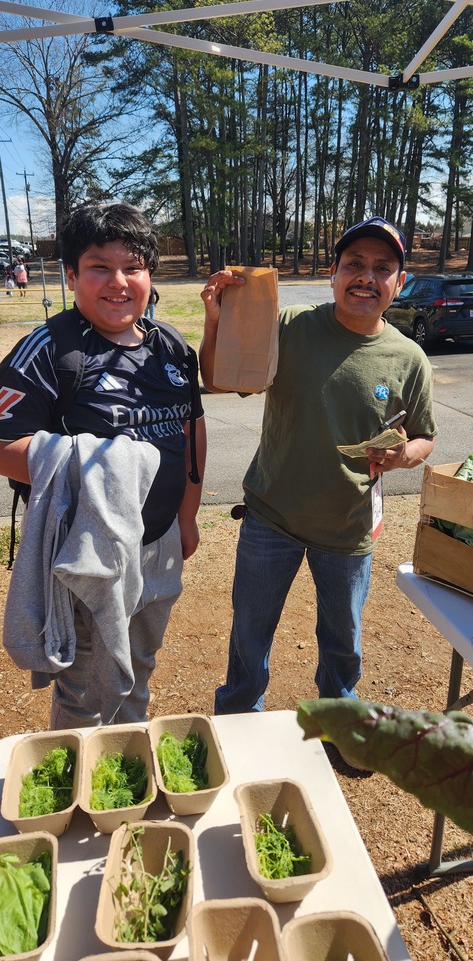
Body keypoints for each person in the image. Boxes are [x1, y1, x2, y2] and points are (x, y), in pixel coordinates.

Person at [200, 217, 437, 749]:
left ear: (399, 283)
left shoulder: (409, 358)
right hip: (271, 517)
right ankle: (238, 726)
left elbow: (424, 437)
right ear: (333, 273)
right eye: (354, 264)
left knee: (342, 643)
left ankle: (340, 727)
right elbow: (218, 379)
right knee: (249, 636)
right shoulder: (289, 325)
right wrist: (217, 322)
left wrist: (403, 455)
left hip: (347, 528)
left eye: (382, 268)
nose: (366, 277)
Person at [0, 202, 206, 728]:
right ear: (71, 275)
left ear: (150, 274)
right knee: (84, 687)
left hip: (159, 542)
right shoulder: (48, 350)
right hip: (86, 548)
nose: (118, 282)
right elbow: (3, 443)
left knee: (138, 668)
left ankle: (128, 754)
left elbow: (191, 429)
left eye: (132, 267)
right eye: (99, 267)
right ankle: (82, 777)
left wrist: (186, 517)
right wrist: (95, 466)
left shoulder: (172, 347)